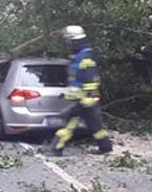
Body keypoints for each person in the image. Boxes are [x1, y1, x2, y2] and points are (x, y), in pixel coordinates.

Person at [47, 25, 113, 156]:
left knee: (70, 124)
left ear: (75, 41)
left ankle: (56, 148)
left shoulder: (85, 57)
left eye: (69, 41)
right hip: (81, 98)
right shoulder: (78, 56)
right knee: (95, 125)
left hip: (84, 99)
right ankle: (105, 147)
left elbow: (91, 79)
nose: (68, 43)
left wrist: (88, 97)